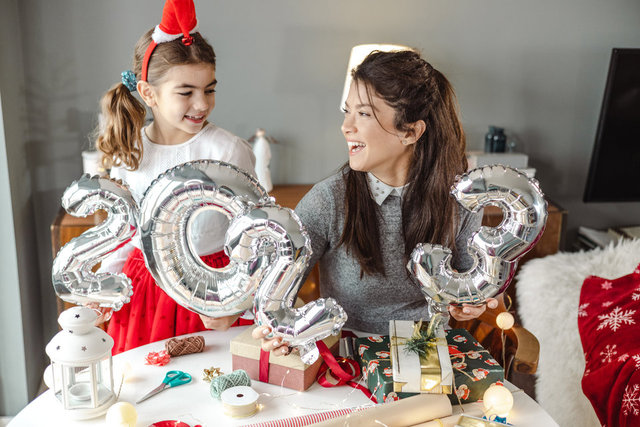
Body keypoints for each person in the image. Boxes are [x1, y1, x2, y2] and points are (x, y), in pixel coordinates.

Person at [253, 49, 497, 355]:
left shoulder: (461, 199)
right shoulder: (327, 200)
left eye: (364, 114)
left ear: (411, 131)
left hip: (428, 356)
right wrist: (280, 330)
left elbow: (469, 284)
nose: (346, 126)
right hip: (346, 358)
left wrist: (470, 303)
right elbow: (275, 295)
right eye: (347, 111)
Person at [94, 0, 256, 354]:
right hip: (146, 293)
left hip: (212, 291)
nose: (202, 104)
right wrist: (105, 288)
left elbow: (255, 235)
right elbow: (125, 236)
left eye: (209, 89)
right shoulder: (130, 153)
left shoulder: (228, 152)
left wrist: (238, 302)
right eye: (186, 92)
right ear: (148, 93)